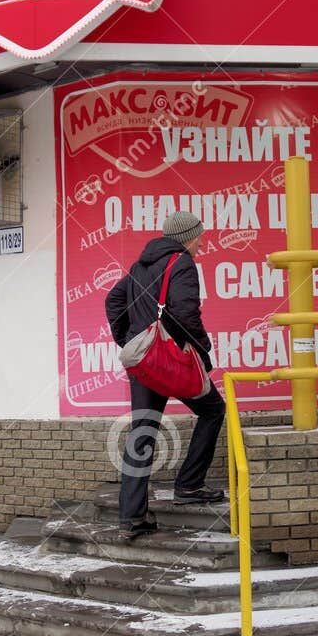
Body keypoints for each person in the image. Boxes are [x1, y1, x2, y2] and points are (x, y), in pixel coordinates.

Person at [104, 210, 226, 539]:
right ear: (188, 236)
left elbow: (113, 300)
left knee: (142, 431)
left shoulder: (141, 264)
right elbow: (186, 310)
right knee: (214, 410)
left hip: (144, 361)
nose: (202, 242)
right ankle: (188, 485)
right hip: (171, 360)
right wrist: (201, 351)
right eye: (199, 236)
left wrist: (130, 339)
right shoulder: (182, 263)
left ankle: (131, 518)